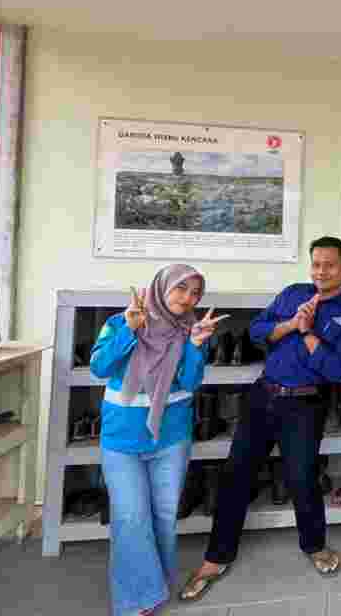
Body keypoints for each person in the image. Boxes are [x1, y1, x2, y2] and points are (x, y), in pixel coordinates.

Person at [180, 237, 341, 601]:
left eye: (329, 265)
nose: (321, 272)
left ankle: (314, 545)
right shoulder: (294, 293)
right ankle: (216, 558)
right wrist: (292, 324)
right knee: (236, 474)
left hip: (305, 404)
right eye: (316, 264)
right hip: (263, 395)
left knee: (302, 479)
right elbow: (257, 332)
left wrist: (308, 332)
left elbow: (335, 370)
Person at [90, 264, 227, 616]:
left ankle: (153, 591)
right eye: (181, 288)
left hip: (171, 438)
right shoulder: (122, 321)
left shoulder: (190, 330)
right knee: (131, 517)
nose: (188, 298)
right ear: (161, 288)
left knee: (163, 517)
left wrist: (195, 345)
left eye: (195, 293)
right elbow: (99, 367)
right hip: (122, 438)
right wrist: (130, 330)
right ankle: (134, 600)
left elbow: (191, 382)